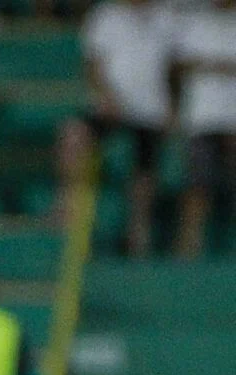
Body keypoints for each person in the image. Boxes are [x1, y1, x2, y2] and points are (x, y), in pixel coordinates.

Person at [72, 0, 171, 258]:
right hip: (109, 106)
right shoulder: (106, 15)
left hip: (150, 111)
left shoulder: (166, 16)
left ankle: (138, 232)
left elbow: (175, 66)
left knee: (145, 169)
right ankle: (69, 211)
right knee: (74, 136)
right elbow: (93, 63)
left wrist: (172, 106)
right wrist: (108, 97)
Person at [175, 0, 236, 260]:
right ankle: (189, 247)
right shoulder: (195, 22)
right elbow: (178, 64)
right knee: (199, 186)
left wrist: (209, 65)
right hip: (202, 118)